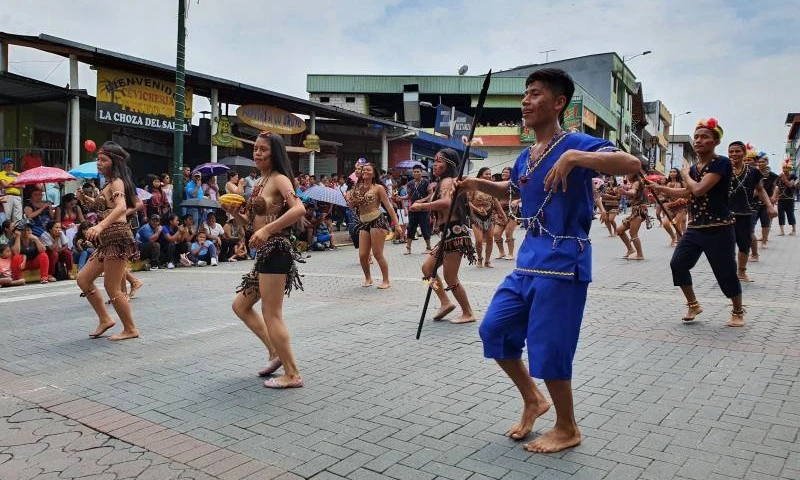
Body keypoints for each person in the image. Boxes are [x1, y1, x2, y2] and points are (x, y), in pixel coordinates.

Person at [461, 68, 639, 453]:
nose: (526, 101)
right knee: (493, 330)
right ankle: (533, 399)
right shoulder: (527, 155)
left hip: (563, 262)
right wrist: (477, 184)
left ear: (559, 103)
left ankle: (567, 427)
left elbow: (631, 165)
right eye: (525, 94)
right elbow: (513, 188)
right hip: (527, 262)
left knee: (550, 347)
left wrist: (576, 158)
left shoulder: (576, 142)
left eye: (536, 94)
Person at [225, 132, 305, 389]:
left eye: (263, 150)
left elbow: (299, 209)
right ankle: (275, 353)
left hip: (276, 250)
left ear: (275, 154)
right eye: (255, 149)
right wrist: (236, 214)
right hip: (264, 254)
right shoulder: (261, 181)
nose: (257, 153)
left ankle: (292, 374)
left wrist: (268, 230)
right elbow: (253, 225)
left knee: (272, 314)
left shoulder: (280, 179)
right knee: (241, 305)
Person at [650, 118, 744, 327]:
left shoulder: (721, 163)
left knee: (725, 271)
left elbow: (699, 189)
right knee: (678, 264)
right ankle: (693, 304)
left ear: (715, 142)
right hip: (696, 228)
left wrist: (684, 174)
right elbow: (688, 192)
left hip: (719, 227)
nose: (699, 140)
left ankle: (738, 310)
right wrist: (661, 189)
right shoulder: (694, 168)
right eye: (697, 137)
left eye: (704, 137)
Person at [75, 141, 141, 341]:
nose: (99, 163)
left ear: (114, 162)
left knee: (112, 287)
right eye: (98, 159)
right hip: (107, 241)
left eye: (103, 160)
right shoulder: (108, 184)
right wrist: (85, 199)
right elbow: (103, 204)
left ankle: (130, 329)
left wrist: (100, 225)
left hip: (117, 237)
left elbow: (121, 207)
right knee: (83, 279)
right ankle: (105, 319)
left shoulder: (117, 182)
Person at [411, 148, 478, 323]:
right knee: (427, 270)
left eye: (439, 161)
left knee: (450, 277)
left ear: (449, 165)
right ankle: (445, 302)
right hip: (447, 235)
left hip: (455, 235)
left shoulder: (448, 181)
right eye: (435, 160)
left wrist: (421, 207)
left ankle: (468, 312)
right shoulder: (443, 182)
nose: (434, 164)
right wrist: (422, 201)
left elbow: (447, 202)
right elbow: (433, 197)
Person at [345, 162, 403, 289]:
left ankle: (386, 280)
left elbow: (388, 206)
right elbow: (351, 206)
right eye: (364, 170)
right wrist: (350, 199)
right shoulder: (356, 188)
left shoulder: (378, 188)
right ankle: (368, 278)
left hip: (377, 221)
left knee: (377, 254)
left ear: (374, 173)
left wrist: (397, 225)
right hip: (362, 222)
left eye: (368, 170)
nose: (365, 171)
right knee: (362, 255)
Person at [725, 141, 774, 282]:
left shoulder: (753, 171)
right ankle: (727, 272)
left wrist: (769, 206)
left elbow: (760, 189)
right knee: (725, 245)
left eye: (737, 151)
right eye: (731, 151)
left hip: (745, 213)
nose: (734, 154)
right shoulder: (723, 169)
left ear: (744, 153)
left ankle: (741, 272)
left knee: (744, 244)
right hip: (725, 214)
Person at [468, 167, 506, 268]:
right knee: (479, 240)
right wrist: (476, 209)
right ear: (480, 175)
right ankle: (480, 259)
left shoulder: (492, 188)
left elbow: (495, 201)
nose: (489, 176)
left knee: (490, 238)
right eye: (486, 174)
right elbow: (468, 201)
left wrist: (502, 214)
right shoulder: (474, 187)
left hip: (489, 216)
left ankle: (487, 261)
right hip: (476, 217)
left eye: (490, 174)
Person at [400, 165, 432, 254]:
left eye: (418, 171)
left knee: (425, 228)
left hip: (423, 209)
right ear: (413, 173)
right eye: (415, 172)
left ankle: (429, 247)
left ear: (421, 172)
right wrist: (401, 198)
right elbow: (409, 196)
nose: (416, 173)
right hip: (413, 210)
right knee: (411, 228)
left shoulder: (426, 182)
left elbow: (430, 194)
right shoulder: (410, 183)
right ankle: (408, 248)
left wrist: (423, 200)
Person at [616, 172, 648, 259]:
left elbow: (633, 192)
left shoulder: (637, 182)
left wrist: (625, 192)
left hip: (639, 211)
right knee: (619, 230)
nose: (627, 174)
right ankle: (630, 250)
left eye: (629, 173)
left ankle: (640, 255)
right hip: (634, 211)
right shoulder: (634, 183)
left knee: (633, 233)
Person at [751, 154, 778, 251]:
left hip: (766, 202)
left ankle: (764, 241)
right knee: (752, 223)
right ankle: (751, 241)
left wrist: (774, 196)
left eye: (763, 161)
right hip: (754, 202)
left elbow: (775, 186)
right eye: (760, 161)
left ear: (767, 162)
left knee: (765, 222)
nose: (761, 163)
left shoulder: (773, 175)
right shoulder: (753, 173)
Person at [494, 166, 518, 260]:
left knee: (508, 233)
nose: (504, 174)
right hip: (500, 211)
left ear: (511, 174)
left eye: (507, 172)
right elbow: (494, 198)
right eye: (503, 172)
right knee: (496, 233)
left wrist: (517, 201)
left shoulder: (515, 184)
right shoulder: (498, 184)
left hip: (512, 211)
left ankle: (510, 254)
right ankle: (501, 252)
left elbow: (524, 195)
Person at [661, 168, 690, 247]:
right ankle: (673, 237)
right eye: (670, 172)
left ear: (677, 173)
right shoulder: (668, 184)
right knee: (665, 223)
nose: (672, 173)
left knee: (677, 224)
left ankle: (679, 241)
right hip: (672, 206)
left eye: (674, 172)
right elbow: (666, 196)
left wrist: (683, 199)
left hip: (681, 206)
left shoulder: (682, 183)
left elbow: (688, 193)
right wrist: (659, 192)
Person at [776, 161, 797, 236]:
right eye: (784, 168)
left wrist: (784, 178)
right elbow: (778, 188)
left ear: (790, 169)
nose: (785, 169)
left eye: (787, 168)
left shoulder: (793, 176)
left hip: (790, 199)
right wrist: (775, 197)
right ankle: (782, 231)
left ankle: (794, 230)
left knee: (790, 214)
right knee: (781, 215)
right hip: (781, 199)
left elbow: (790, 185)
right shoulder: (779, 177)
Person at [0, 158, 23, 223]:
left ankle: (17, 232)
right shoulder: (1, 173)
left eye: (11, 163)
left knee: (18, 217)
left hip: (17, 196)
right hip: (7, 196)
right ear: (4, 165)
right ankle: (5, 232)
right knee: (6, 216)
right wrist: (17, 184)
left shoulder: (18, 174)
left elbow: (23, 185)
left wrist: (11, 184)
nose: (9, 165)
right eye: (7, 163)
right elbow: (5, 184)